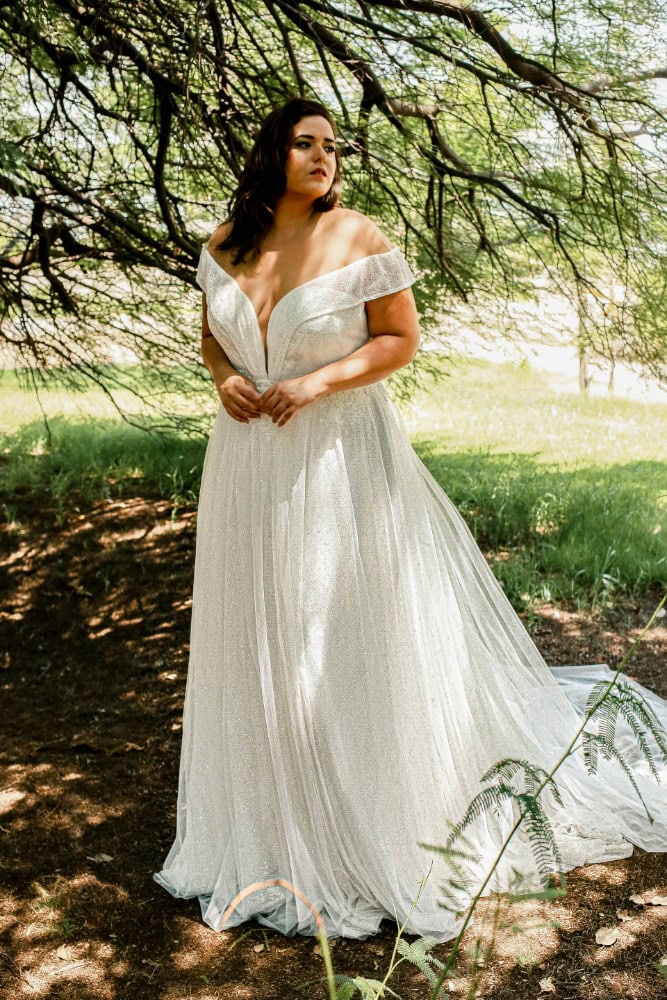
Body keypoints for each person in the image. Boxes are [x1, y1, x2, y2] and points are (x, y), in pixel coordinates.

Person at [155, 98, 667, 942]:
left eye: (332, 146)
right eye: (304, 142)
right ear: (269, 154)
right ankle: (267, 821)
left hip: (337, 457)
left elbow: (399, 340)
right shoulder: (223, 244)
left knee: (341, 628)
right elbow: (214, 338)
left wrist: (316, 384)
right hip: (246, 461)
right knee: (262, 628)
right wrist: (224, 381)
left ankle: (368, 824)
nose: (323, 156)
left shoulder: (358, 236)